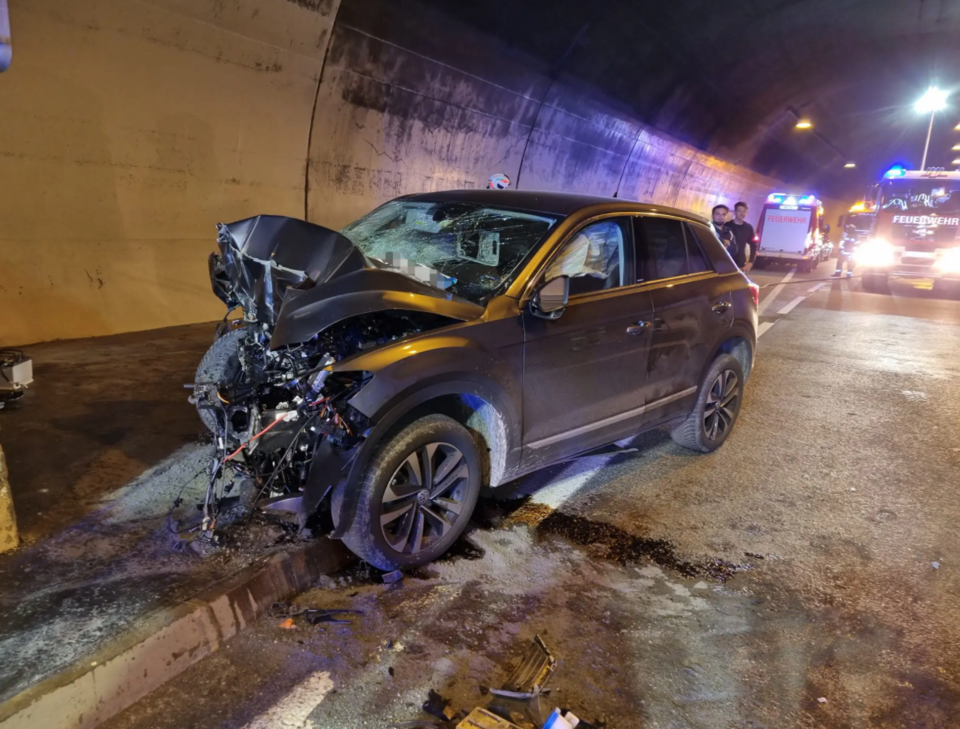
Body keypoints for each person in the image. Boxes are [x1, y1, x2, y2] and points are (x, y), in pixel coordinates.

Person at [726, 201, 755, 271]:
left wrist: (750, 262)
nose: (742, 213)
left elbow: (753, 245)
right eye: (739, 211)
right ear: (735, 212)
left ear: (746, 213)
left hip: (741, 265)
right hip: (727, 263)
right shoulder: (727, 226)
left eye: (744, 211)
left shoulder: (748, 227)